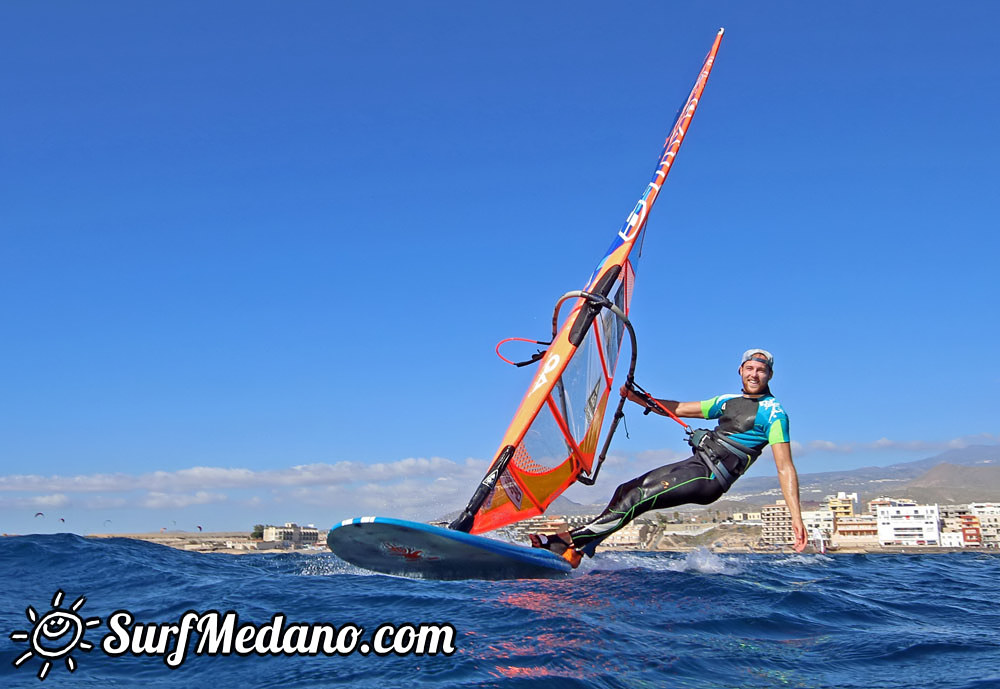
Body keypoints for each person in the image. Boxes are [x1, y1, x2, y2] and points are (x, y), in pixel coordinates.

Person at [531, 348, 807, 566]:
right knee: (625, 490)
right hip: (696, 465)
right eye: (750, 368)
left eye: (761, 370)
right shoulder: (727, 401)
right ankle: (578, 551)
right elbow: (680, 408)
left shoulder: (774, 413)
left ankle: (560, 542)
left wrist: (796, 517)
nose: (754, 374)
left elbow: (785, 468)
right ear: (740, 370)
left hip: (710, 478)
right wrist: (637, 398)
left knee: (638, 497)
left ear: (769, 375)